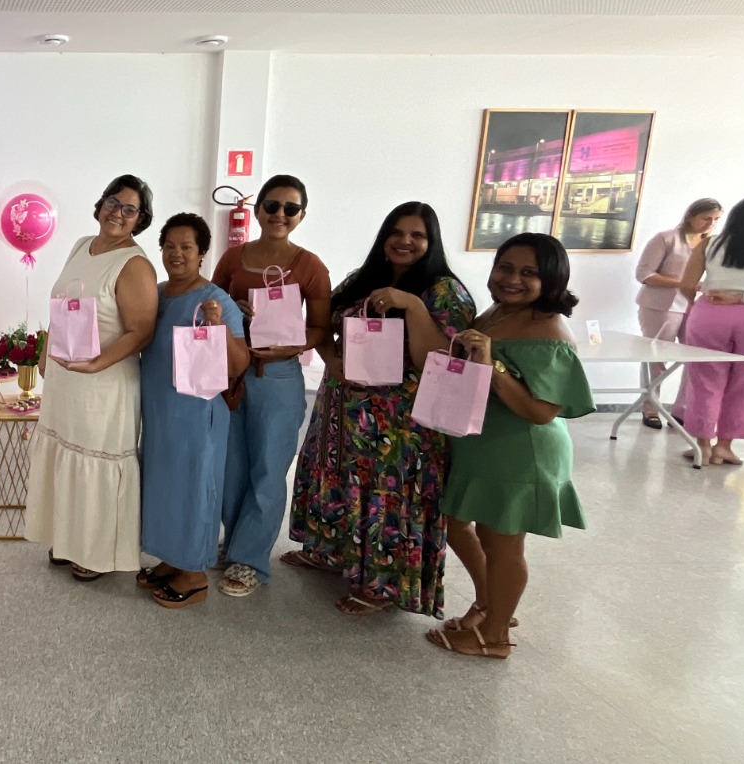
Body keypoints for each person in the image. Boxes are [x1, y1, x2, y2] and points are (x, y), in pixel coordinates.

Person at [286, 202, 476, 618]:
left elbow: (439, 359)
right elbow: (322, 323)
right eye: (397, 232)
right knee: (339, 479)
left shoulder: (444, 291)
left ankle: (383, 584)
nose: (405, 241)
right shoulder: (362, 278)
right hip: (342, 409)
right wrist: (332, 359)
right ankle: (330, 552)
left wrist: (412, 306)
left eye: (417, 235)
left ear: (431, 242)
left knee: (387, 497)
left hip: (399, 424)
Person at [432, 233, 594, 659]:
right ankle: (490, 603)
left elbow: (542, 412)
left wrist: (494, 367)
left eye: (528, 273)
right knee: (459, 523)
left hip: (520, 449)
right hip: (483, 444)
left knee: (503, 543)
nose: (512, 279)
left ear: (551, 280)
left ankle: (496, 635)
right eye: (505, 267)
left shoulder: (549, 331)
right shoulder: (500, 311)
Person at [25, 174, 159, 581]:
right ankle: (67, 539)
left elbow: (141, 332)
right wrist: (46, 353)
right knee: (64, 453)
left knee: (93, 461)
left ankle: (95, 551)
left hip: (104, 383)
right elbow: (61, 305)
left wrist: (97, 364)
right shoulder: (82, 245)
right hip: (67, 376)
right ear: (100, 205)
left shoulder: (134, 264)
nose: (118, 213)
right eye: (113, 202)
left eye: (130, 209)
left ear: (140, 219)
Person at [209, 174, 331, 596]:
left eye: (290, 208)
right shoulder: (233, 259)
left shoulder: (310, 266)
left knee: (268, 469)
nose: (280, 214)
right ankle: (234, 543)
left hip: (278, 378)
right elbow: (209, 306)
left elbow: (321, 328)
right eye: (272, 205)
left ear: (302, 215)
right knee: (230, 467)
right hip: (231, 371)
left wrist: (291, 346)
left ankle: (250, 560)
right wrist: (231, 309)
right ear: (258, 209)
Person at [137, 214, 250, 608]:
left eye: (187, 247)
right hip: (160, 411)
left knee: (194, 487)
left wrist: (217, 328)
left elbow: (239, 364)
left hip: (198, 415)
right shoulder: (156, 295)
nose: (177, 254)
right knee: (163, 485)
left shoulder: (215, 301)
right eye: (169, 246)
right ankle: (173, 558)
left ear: (202, 253)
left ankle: (195, 574)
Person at [677, 196, 744, 466]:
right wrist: (743, 299)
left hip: (711, 313)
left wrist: (697, 305)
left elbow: (687, 284)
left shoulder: (709, 244)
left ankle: (702, 445)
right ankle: (724, 446)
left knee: (704, 379)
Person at [634, 198, 721, 428]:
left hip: (696, 307)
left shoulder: (712, 245)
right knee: (656, 358)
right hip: (660, 306)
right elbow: (644, 274)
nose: (711, 223)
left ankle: (682, 411)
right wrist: (682, 283)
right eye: (706, 218)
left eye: (716, 219)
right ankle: (650, 408)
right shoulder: (666, 238)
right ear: (691, 215)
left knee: (694, 358)